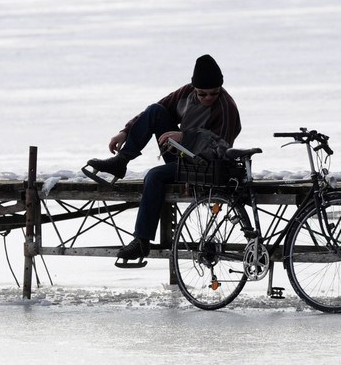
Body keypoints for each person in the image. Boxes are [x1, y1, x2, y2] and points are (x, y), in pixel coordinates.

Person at [84, 54, 241, 265]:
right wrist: (125, 132)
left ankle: (141, 241)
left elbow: (221, 147)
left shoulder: (226, 107)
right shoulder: (186, 93)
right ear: (194, 88)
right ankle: (122, 160)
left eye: (213, 93)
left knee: (155, 176)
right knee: (156, 111)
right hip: (182, 155)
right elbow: (153, 112)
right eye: (202, 93)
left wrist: (185, 136)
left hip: (206, 167)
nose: (207, 97)